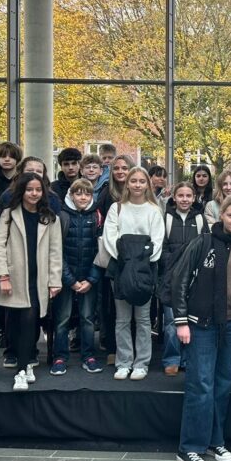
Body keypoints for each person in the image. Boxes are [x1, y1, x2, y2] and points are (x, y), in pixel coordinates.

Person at [172, 194, 231, 461]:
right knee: (200, 385)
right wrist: (180, 321)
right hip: (200, 324)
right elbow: (180, 280)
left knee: (223, 384)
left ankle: (215, 440)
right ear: (221, 215)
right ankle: (189, 447)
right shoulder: (203, 243)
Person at [0, 172, 63, 391]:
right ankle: (22, 369)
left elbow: (55, 252)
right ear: (22, 191)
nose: (34, 193)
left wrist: (54, 281)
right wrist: (3, 276)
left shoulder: (50, 218)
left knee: (31, 322)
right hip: (14, 279)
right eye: (30, 189)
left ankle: (25, 365)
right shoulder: (9, 215)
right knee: (17, 324)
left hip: (38, 280)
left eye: (38, 190)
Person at [103, 166, 166, 381]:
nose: (137, 185)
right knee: (122, 319)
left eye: (141, 181)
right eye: (134, 181)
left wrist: (141, 263)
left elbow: (157, 241)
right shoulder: (116, 209)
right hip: (121, 268)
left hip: (144, 270)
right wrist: (125, 259)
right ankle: (123, 362)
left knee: (143, 319)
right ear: (127, 183)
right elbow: (110, 236)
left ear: (147, 184)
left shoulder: (153, 210)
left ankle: (141, 363)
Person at [54, 179, 104, 375]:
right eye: (78, 194)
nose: (83, 197)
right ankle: (60, 357)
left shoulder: (98, 216)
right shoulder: (62, 216)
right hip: (66, 279)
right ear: (71, 195)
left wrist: (91, 279)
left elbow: (101, 251)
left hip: (88, 279)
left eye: (87, 194)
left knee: (88, 319)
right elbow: (56, 251)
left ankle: (88, 356)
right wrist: (70, 280)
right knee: (62, 319)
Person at [160, 182, 208, 375]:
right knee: (171, 321)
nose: (185, 199)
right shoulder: (166, 218)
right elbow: (161, 246)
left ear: (194, 198)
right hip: (170, 277)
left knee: (190, 321)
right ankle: (171, 359)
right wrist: (173, 264)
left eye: (189, 196)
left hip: (193, 278)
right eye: (181, 195)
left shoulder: (200, 218)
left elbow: (205, 245)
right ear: (174, 198)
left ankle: (188, 359)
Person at [96, 154, 133, 360]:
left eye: (124, 168)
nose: (120, 172)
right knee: (110, 303)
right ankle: (111, 347)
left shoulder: (139, 194)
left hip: (134, 258)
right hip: (112, 256)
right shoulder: (105, 194)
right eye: (117, 168)